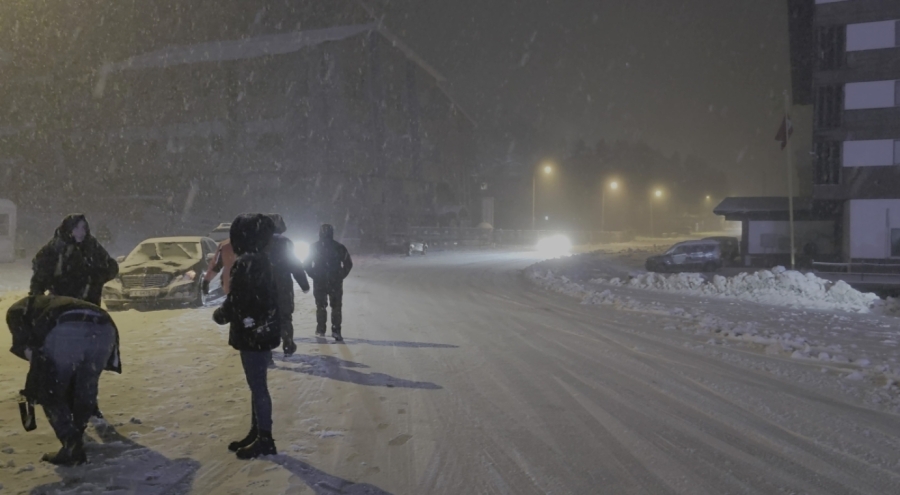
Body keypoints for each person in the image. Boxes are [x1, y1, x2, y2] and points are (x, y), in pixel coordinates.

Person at [6, 294, 122, 466]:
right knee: (86, 387)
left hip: (67, 327)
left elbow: (28, 349)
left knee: (51, 392)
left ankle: (71, 445)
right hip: (105, 326)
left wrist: (41, 383)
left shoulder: (15, 312)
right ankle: (76, 437)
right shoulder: (50, 302)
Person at [212, 213, 281, 459]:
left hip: (252, 333)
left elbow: (238, 299)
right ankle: (257, 431)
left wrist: (221, 315)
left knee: (258, 387)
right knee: (257, 386)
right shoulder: (262, 259)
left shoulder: (247, 262)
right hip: (261, 330)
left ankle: (265, 438)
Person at [30, 214, 119, 306]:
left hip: (89, 306)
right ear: (68, 229)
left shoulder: (91, 245)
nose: (81, 232)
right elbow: (39, 278)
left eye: (83, 228)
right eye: (76, 228)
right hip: (60, 306)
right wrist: (36, 300)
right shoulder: (56, 248)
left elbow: (111, 266)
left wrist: (96, 278)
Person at [266, 214, 310, 356]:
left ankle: (267, 347)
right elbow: (295, 265)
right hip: (283, 284)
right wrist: (304, 284)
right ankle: (287, 342)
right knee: (285, 315)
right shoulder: (285, 242)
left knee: (266, 316)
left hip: (263, 286)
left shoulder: (258, 242)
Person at [305, 224, 353, 342]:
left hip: (320, 281)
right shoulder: (339, 247)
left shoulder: (314, 247)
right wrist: (340, 275)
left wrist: (314, 275)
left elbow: (306, 264)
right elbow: (348, 264)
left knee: (321, 306)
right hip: (335, 282)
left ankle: (321, 329)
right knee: (336, 307)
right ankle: (336, 331)